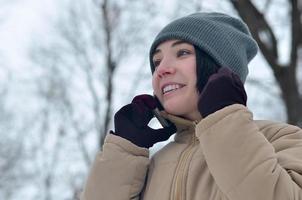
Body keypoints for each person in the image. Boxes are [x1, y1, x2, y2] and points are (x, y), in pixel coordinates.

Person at [81, 12, 302, 200]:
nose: (162, 69)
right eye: (157, 62)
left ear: (219, 66)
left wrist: (226, 121)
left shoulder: (281, 138)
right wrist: (124, 155)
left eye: (183, 53)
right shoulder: (151, 166)